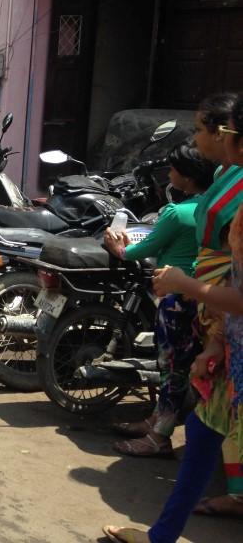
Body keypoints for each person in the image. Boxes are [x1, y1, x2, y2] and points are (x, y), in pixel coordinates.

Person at [103, 93, 243, 543]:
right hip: (230, 336)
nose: (203, 136)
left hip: (219, 315)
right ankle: (160, 536)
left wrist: (188, 286)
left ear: (230, 137)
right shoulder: (226, 180)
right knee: (203, 429)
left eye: (205, 129)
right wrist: (218, 342)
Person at [104, 144, 215, 457]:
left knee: (172, 368)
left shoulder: (177, 213)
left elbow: (139, 251)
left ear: (188, 178)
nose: (169, 174)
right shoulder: (210, 208)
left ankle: (159, 436)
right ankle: (156, 420)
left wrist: (118, 248)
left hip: (176, 298)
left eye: (174, 169)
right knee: (178, 366)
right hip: (202, 297)